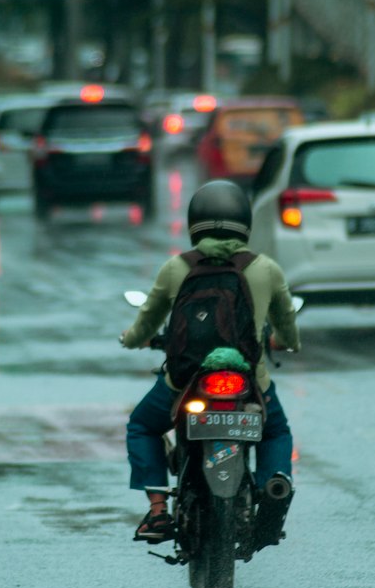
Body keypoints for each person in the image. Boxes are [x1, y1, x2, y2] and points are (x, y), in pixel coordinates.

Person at [120, 179, 300, 545]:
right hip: (249, 382)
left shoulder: (176, 268)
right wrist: (285, 342)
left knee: (142, 426)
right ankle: (273, 484)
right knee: (275, 431)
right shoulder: (265, 268)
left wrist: (132, 339)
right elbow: (286, 326)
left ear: (194, 222)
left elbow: (147, 322)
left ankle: (157, 511)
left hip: (183, 381)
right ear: (244, 222)